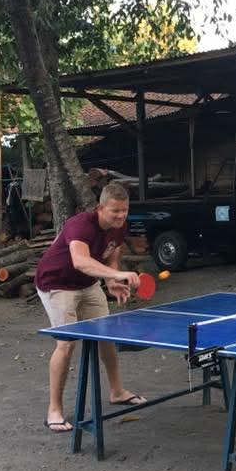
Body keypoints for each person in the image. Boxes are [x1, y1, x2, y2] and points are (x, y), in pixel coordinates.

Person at [35, 183, 145, 433]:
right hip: (57, 284)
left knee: (106, 336)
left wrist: (111, 279)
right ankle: (54, 410)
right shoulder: (80, 224)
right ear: (100, 208)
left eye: (124, 211)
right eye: (115, 211)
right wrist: (119, 274)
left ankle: (117, 391)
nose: (120, 216)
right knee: (67, 344)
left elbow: (111, 255)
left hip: (88, 284)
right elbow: (81, 261)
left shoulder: (119, 227)